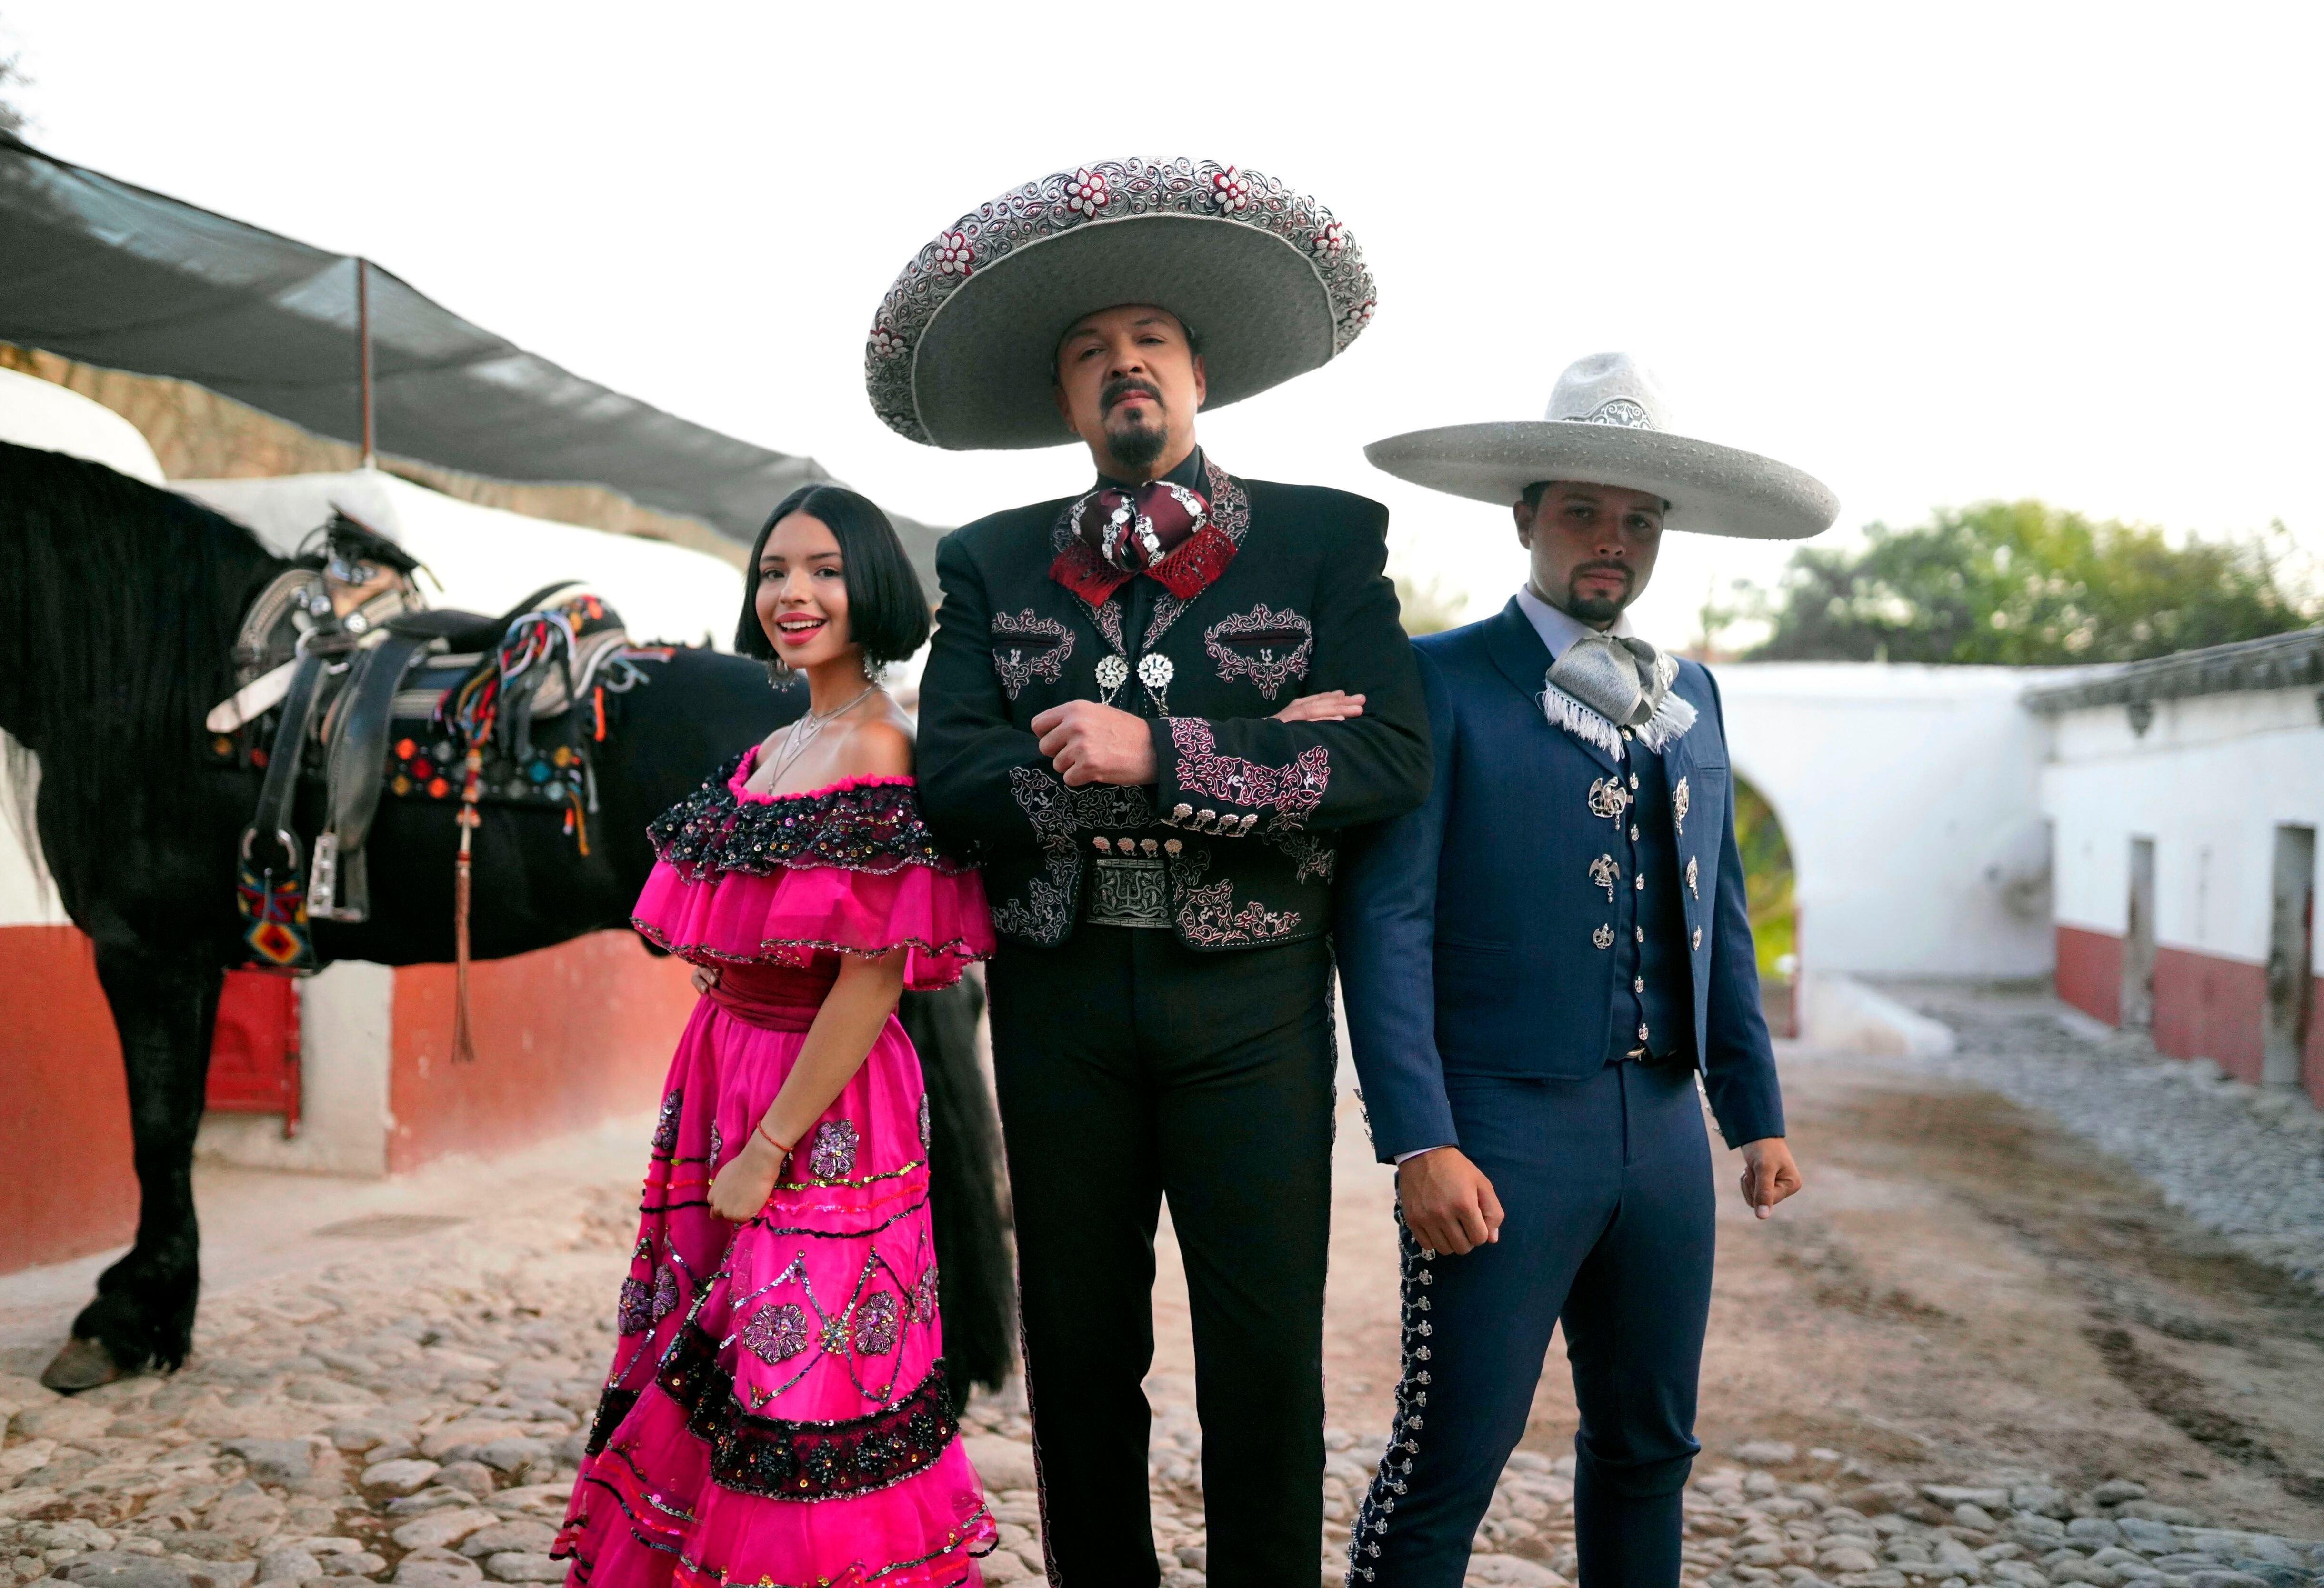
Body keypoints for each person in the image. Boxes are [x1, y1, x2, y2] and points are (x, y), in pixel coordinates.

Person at [873, 158, 1433, 1585]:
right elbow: (951, 782)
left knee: (1262, 1359)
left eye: (1152, 345)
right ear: (1067, 404)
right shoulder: (993, 562)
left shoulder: (1321, 540)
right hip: (1060, 1010)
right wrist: (1257, 751)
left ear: (1199, 379)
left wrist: (1163, 752)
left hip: (1248, 1009)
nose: (1123, 367)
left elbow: (1384, 766)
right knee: (1077, 1357)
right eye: (1088, 354)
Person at [1336, 353, 1839, 1587]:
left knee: (1650, 1447)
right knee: (1452, 1453)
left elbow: (1714, 912)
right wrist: (1420, 1141)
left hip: (1663, 1136)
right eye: (1583, 513)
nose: (1611, 542)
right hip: (1501, 1127)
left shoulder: (1696, 695)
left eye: (1639, 521)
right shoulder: (1438, 680)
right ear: (1524, 517)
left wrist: (1753, 1114)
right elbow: (1385, 927)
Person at [553, 484, 999, 1588]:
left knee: (802, 1368)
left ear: (874, 589)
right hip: (726, 1073)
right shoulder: (780, 746)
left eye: (824, 571)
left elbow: (873, 977)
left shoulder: (881, 747)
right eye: (774, 571)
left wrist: (767, 1146)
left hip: (825, 1098)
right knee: (711, 1351)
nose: (793, 594)